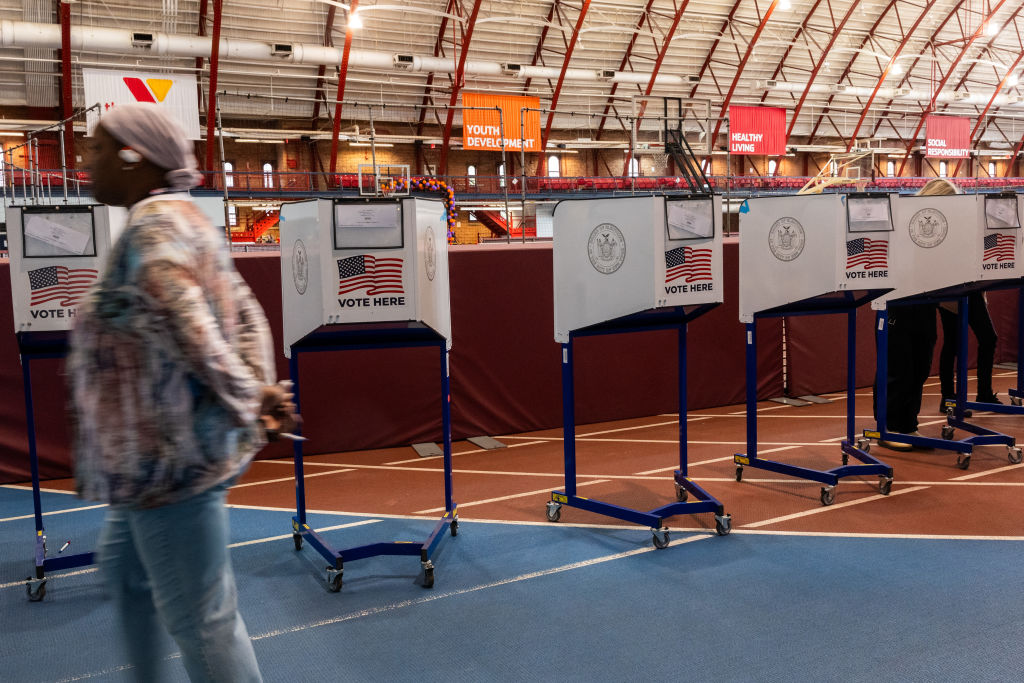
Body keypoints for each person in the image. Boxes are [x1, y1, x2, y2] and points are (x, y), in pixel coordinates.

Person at [69, 103, 295, 682]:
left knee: (203, 622)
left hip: (168, 466)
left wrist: (250, 397)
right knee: (124, 572)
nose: (84, 160)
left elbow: (189, 323)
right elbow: (245, 312)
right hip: (163, 460)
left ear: (133, 157)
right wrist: (259, 386)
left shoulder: (153, 229)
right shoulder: (187, 218)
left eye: (96, 148)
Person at [875, 178, 956, 450]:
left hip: (925, 303)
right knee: (899, 368)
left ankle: (908, 424)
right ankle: (889, 426)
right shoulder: (907, 222)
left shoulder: (941, 230)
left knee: (921, 367)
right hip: (898, 303)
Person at [923, 182, 1002, 412]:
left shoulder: (958, 218)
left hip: (970, 286)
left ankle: (978, 394)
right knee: (955, 344)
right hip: (952, 289)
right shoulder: (939, 221)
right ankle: (950, 398)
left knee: (982, 339)